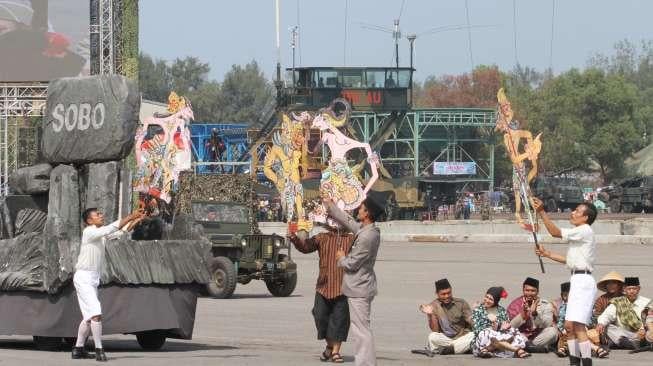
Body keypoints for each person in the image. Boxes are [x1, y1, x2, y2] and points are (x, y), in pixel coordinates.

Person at [72, 208, 144, 361]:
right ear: (89, 221)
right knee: (96, 313)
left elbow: (119, 232)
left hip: (93, 278)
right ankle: (99, 349)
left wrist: (134, 221)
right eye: (97, 215)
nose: (101, 215)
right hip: (83, 277)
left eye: (101, 213)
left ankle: (78, 349)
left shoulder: (100, 235)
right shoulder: (89, 232)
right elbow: (112, 228)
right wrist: (131, 215)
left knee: (88, 317)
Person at [533, 198, 599, 366]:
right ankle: (574, 362)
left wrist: (541, 211)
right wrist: (547, 254)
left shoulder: (584, 230)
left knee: (577, 326)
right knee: (569, 326)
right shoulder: (580, 233)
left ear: (585, 218)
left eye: (577, 211)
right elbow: (569, 260)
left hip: (583, 281)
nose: (573, 213)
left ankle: (586, 363)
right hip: (577, 278)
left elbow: (555, 232)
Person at [325, 196, 383, 366]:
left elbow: (353, 263)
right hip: (360, 286)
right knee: (360, 329)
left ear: (367, 214)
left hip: (360, 288)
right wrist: (331, 207)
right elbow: (349, 221)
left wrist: (342, 258)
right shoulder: (366, 230)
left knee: (361, 330)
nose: (358, 210)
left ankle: (366, 363)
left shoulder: (368, 237)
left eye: (362, 209)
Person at [289, 228, 354, 363]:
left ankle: (335, 351)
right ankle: (329, 345)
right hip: (323, 286)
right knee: (320, 316)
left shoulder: (351, 239)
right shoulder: (321, 237)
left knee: (340, 320)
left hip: (342, 287)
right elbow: (305, 247)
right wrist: (294, 238)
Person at [417, 278, 474, 355]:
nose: (447, 296)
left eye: (449, 293)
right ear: (437, 294)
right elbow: (435, 330)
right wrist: (430, 315)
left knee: (473, 335)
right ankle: (460, 348)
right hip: (446, 339)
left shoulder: (461, 303)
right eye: (443, 294)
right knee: (432, 336)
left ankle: (449, 350)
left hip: (462, 336)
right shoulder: (433, 306)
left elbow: (471, 321)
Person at [471, 286, 530, 358]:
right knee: (487, 332)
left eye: (491, 299)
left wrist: (501, 327)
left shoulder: (501, 310)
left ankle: (488, 349)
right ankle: (517, 350)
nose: (487, 300)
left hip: (500, 336)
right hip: (483, 340)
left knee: (513, 331)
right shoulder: (478, 310)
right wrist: (492, 327)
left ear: (496, 301)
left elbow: (506, 325)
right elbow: (476, 329)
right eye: (486, 297)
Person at [596, 277, 651, 350]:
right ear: (624, 289)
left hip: (642, 333)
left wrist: (643, 329)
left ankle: (624, 343)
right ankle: (626, 343)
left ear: (638, 289)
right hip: (623, 333)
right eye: (629, 289)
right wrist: (601, 323)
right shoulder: (618, 302)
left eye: (634, 289)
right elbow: (607, 315)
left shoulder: (646, 302)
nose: (631, 291)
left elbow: (649, 319)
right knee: (607, 327)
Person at [507, 277, 558, 353]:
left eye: (533, 291)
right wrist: (523, 314)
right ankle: (534, 347)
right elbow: (511, 326)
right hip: (522, 335)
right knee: (511, 334)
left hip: (538, 336)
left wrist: (535, 314)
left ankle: (529, 346)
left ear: (537, 292)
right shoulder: (515, 304)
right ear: (523, 290)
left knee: (553, 331)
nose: (530, 293)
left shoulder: (545, 304)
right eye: (527, 290)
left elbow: (547, 324)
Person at [555, 282, 572, 357]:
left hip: (578, 328)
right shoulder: (563, 306)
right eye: (564, 295)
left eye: (568, 294)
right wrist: (560, 329)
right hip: (566, 329)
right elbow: (561, 319)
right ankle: (563, 349)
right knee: (564, 336)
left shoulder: (581, 304)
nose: (566, 297)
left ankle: (564, 348)